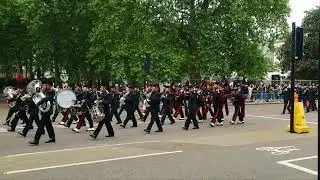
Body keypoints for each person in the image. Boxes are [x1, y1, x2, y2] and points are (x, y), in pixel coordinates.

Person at [29, 80, 56, 145]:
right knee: (48, 125)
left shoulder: (52, 92)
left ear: (49, 85)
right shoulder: (45, 91)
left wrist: (39, 103)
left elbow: (46, 98)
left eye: (46, 85)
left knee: (41, 125)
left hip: (48, 111)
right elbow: (39, 95)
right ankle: (52, 137)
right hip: (45, 110)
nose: (44, 86)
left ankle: (36, 139)